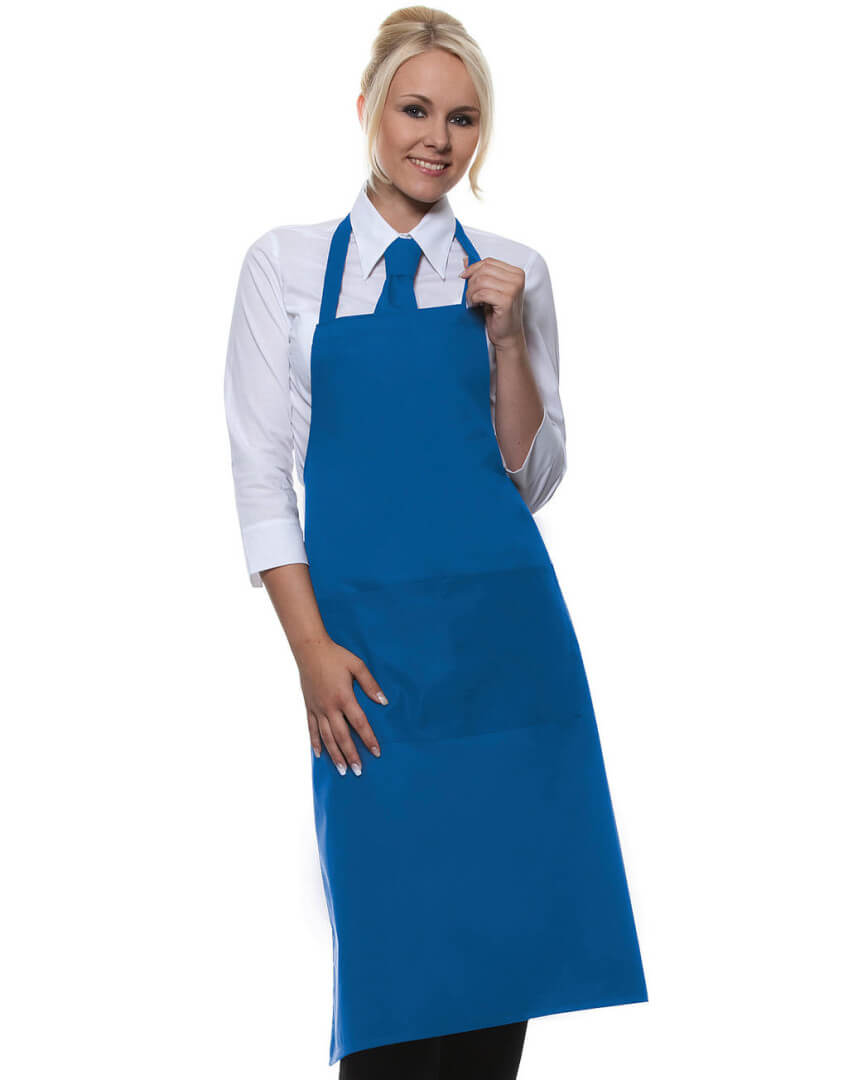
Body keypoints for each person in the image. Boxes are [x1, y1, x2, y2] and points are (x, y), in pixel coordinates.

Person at [224, 7, 648, 1075]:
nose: (436, 138)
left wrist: (505, 340)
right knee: (393, 978)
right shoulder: (285, 267)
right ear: (367, 109)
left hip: (507, 654)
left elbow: (532, 477)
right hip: (367, 661)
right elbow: (260, 474)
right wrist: (311, 652)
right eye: (415, 110)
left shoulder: (512, 268)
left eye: (462, 119)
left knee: (499, 969)